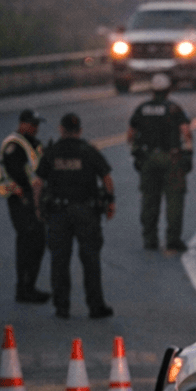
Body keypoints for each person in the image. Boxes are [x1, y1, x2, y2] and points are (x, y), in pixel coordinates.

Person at [35, 113, 115, 319]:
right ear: (79, 130)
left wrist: (38, 207)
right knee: (91, 260)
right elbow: (106, 178)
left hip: (58, 213)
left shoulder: (52, 152)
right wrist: (110, 202)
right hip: (86, 212)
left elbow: (38, 183)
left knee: (59, 260)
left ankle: (62, 308)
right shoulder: (88, 151)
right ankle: (96, 307)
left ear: (61, 129)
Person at [127, 73, 192, 252]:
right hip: (171, 158)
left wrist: (137, 153)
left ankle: (150, 238)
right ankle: (173, 239)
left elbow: (130, 136)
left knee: (149, 199)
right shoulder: (174, 109)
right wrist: (188, 154)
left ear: (152, 90)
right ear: (168, 90)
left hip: (148, 159)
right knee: (174, 200)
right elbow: (186, 133)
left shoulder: (141, 109)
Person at [0, 109, 50, 303]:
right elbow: (20, 175)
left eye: (37, 125)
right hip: (22, 200)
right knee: (28, 243)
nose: (36, 128)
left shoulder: (32, 143)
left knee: (37, 243)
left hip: (34, 199)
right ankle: (24, 289)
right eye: (33, 124)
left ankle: (29, 286)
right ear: (22, 123)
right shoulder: (14, 145)